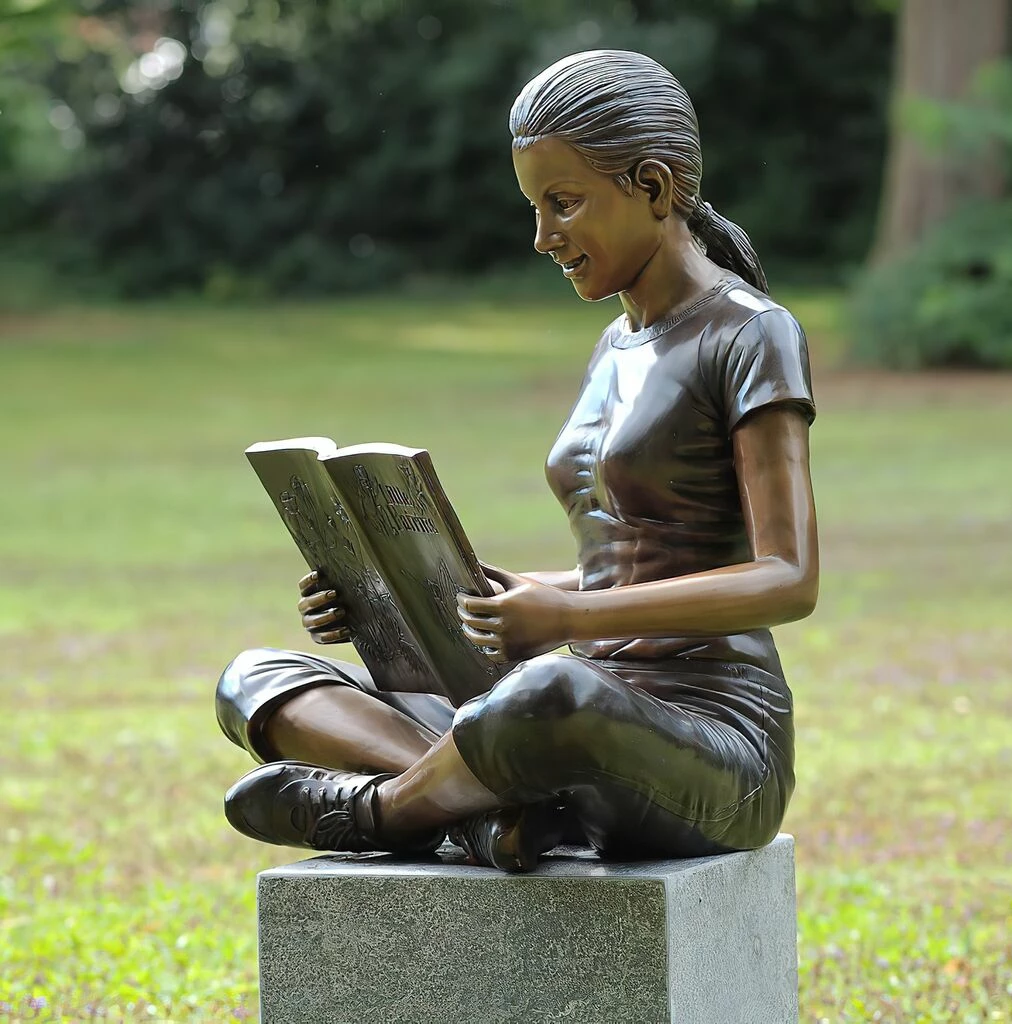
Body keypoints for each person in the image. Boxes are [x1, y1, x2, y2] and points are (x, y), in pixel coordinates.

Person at [216, 49, 818, 872]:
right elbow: (623, 565)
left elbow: (787, 577)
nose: (542, 237)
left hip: (709, 744)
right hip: (574, 723)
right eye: (534, 207)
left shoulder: (751, 333)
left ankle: (385, 810)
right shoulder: (615, 343)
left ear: (653, 187)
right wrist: (469, 595)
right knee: (258, 678)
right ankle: (484, 818)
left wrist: (566, 623)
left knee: (547, 694)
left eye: (563, 204)